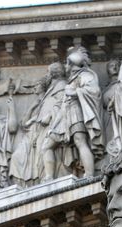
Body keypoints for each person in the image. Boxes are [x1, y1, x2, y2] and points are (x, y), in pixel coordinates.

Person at [43, 45, 104, 180]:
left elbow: (94, 91)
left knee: (80, 141)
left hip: (76, 113)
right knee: (47, 145)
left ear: (71, 64)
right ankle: (48, 178)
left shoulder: (85, 75)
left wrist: (75, 92)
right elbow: (63, 105)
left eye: (67, 62)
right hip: (64, 117)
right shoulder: (70, 80)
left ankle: (89, 175)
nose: (65, 65)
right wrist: (53, 126)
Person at [10, 63, 68, 183]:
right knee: (41, 154)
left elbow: (63, 102)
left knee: (45, 150)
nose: (46, 74)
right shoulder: (51, 90)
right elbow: (25, 122)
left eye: (48, 72)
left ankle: (50, 178)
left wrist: (50, 115)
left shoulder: (61, 85)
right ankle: (45, 179)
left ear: (53, 74)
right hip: (41, 128)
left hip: (53, 125)